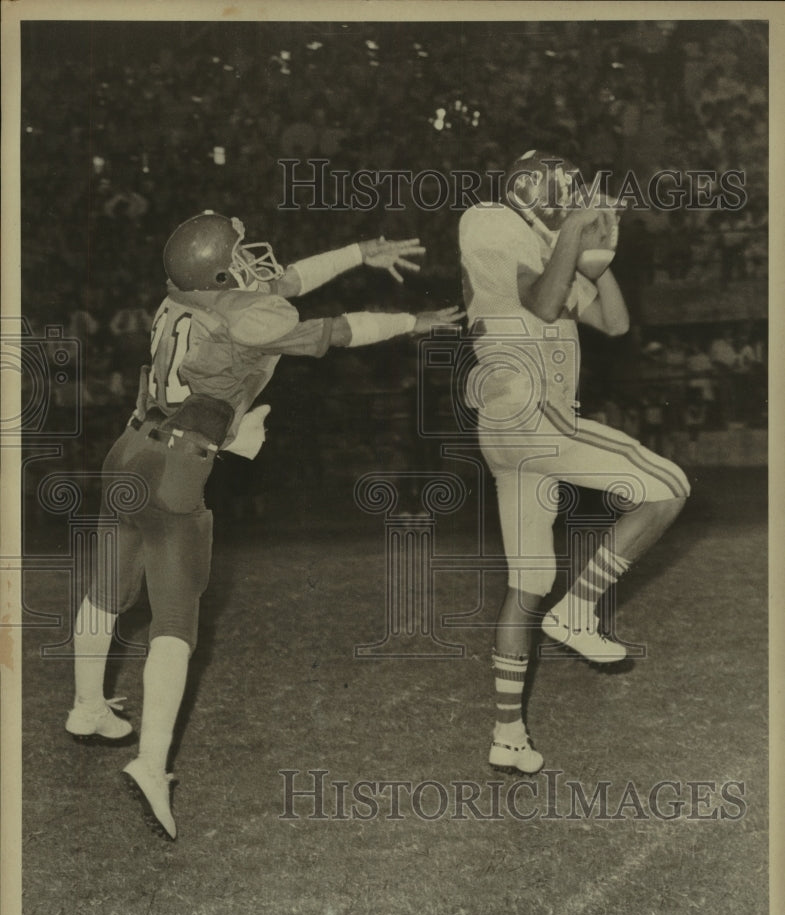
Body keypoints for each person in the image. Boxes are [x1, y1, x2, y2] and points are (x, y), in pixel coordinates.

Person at [66, 211, 462, 839]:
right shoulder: (246, 314)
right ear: (222, 272)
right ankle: (150, 765)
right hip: (175, 466)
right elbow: (335, 331)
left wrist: (359, 251)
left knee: (107, 590)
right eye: (239, 254)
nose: (253, 259)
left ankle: (88, 706)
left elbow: (285, 282)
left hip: (129, 448)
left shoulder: (181, 296)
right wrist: (412, 322)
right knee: (175, 621)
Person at [459, 150, 690, 777]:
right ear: (528, 188)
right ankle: (579, 609)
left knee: (528, 583)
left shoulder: (544, 249)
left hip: (517, 431)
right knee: (668, 485)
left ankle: (507, 733)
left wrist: (598, 260)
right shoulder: (489, 219)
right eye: (561, 188)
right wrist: (570, 237)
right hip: (526, 411)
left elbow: (614, 323)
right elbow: (540, 304)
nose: (570, 197)